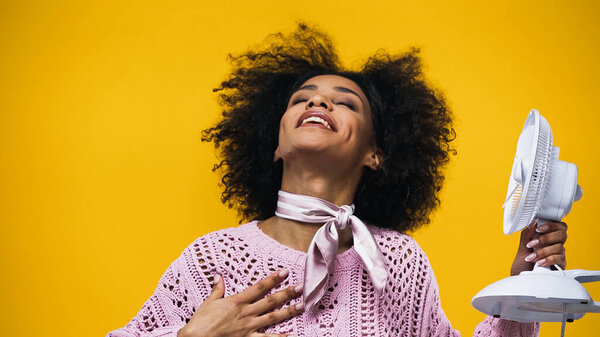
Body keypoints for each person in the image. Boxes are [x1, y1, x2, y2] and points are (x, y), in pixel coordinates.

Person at [107, 24, 568, 337]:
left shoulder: (400, 262)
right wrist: (193, 334)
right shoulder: (211, 258)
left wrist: (521, 286)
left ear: (375, 154)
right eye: (302, 99)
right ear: (274, 144)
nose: (319, 104)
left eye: (344, 102)